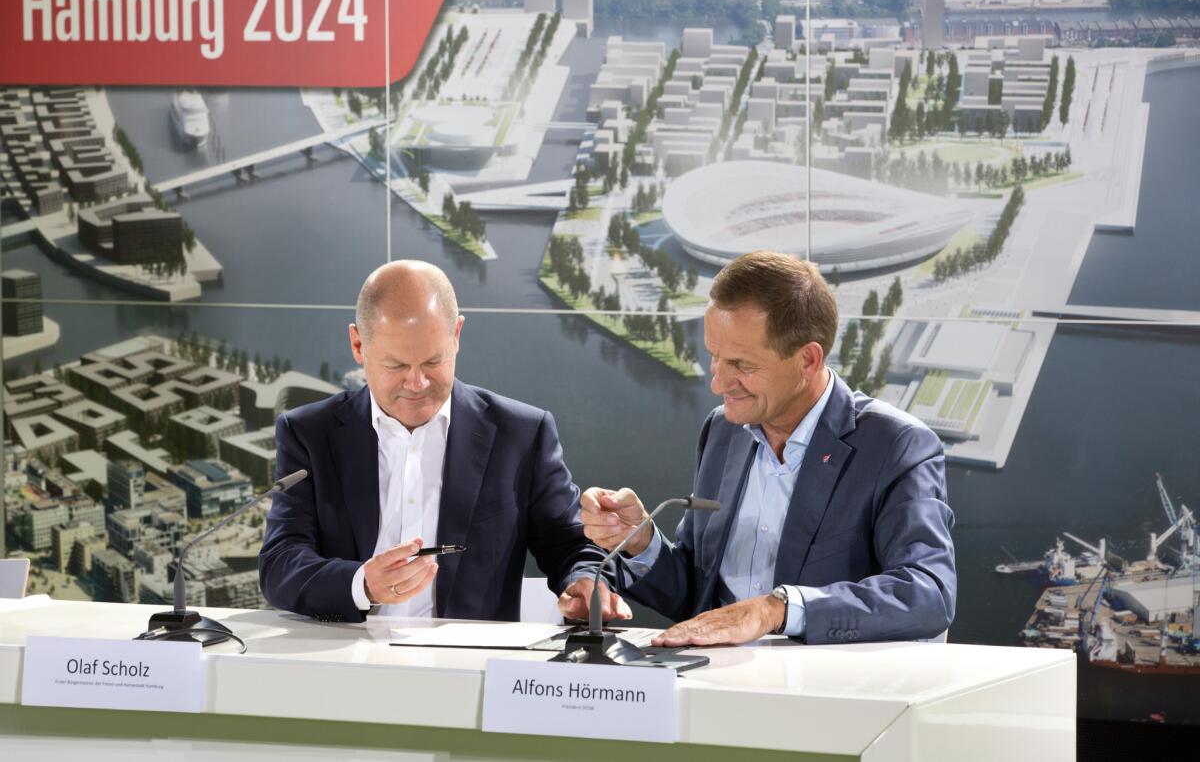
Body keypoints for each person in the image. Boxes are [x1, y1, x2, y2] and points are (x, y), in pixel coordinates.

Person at [582, 251, 955, 646]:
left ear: (808, 359)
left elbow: (928, 593)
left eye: (742, 364)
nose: (719, 383)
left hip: (831, 694)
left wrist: (776, 609)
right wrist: (641, 540)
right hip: (720, 684)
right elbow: (698, 595)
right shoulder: (723, 431)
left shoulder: (897, 445)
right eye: (715, 358)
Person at [260, 260, 629, 624]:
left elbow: (569, 544)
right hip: (344, 663)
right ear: (358, 345)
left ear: (456, 336)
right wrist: (362, 584)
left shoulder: (522, 433)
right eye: (396, 366)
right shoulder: (308, 433)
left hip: (470, 668)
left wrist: (584, 581)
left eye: (433, 361)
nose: (417, 383)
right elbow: (281, 562)